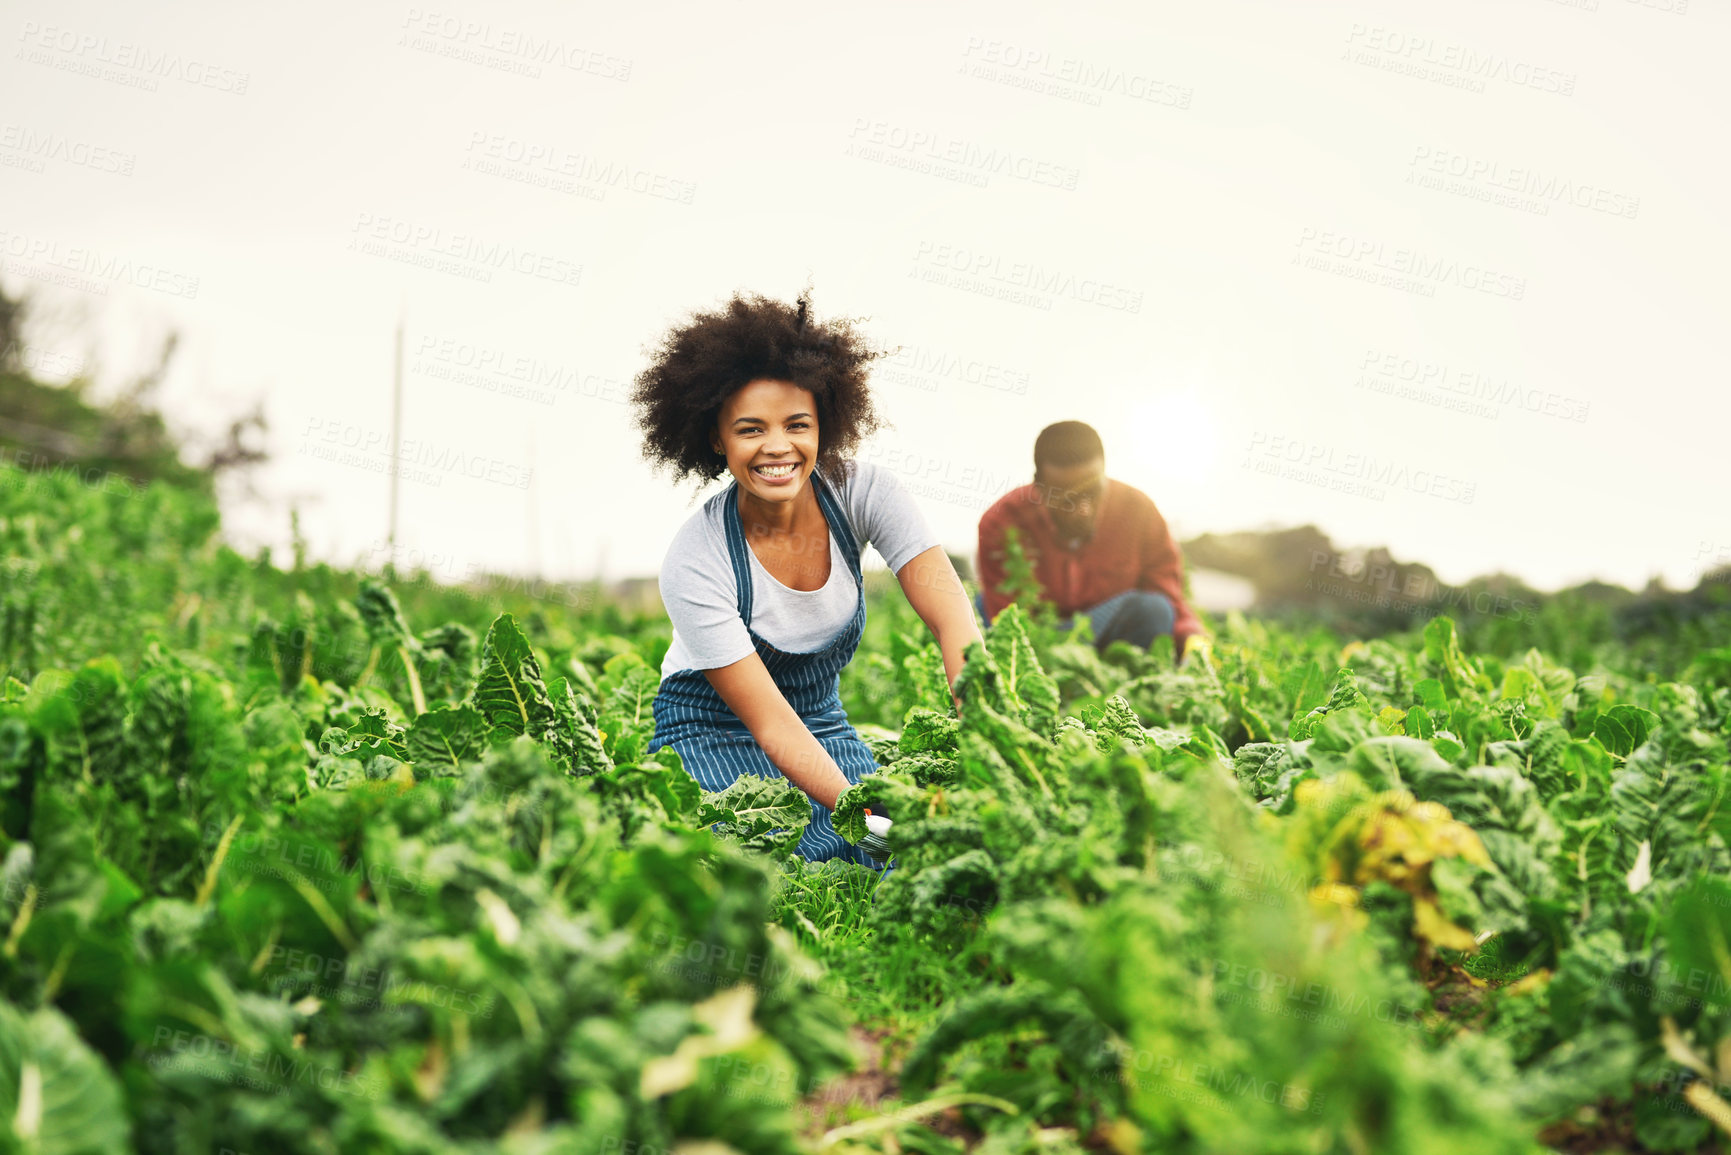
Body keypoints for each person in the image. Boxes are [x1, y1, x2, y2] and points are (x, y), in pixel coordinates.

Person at [632, 290, 982, 865]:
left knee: (894, 846)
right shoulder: (697, 558)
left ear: (825, 426)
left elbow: (952, 616)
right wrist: (860, 815)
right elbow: (770, 725)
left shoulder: (864, 493)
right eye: (750, 430)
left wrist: (986, 728)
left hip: (822, 720)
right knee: (779, 852)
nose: (777, 447)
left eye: (797, 424)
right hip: (713, 729)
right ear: (717, 439)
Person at [976, 420, 1200, 659]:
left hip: (1109, 635)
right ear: (1039, 485)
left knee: (1153, 609)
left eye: (1091, 491)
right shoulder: (1002, 521)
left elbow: (1165, 591)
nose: (1082, 509)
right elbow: (1006, 618)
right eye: (1066, 497)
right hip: (1039, 641)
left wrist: (1193, 643)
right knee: (978, 608)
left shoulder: (1139, 510)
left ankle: (1124, 683)